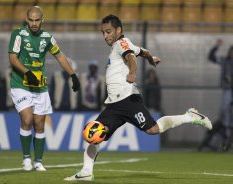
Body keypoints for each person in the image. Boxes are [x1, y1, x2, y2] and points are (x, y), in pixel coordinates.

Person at [64, 14, 212, 181]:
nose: (105, 35)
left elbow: (132, 57)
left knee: (153, 130)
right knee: (96, 133)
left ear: (118, 30)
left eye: (108, 31)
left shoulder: (121, 43)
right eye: (103, 32)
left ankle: (189, 116)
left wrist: (133, 73)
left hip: (128, 100)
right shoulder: (122, 44)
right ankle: (86, 172)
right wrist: (150, 59)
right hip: (113, 105)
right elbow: (143, 52)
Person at [8, 6, 80, 171]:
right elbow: (12, 57)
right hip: (21, 84)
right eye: (31, 20)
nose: (34, 23)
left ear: (42, 20)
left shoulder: (47, 37)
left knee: (39, 125)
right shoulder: (18, 34)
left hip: (39, 87)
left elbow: (60, 56)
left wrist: (73, 75)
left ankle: (38, 161)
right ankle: (26, 158)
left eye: (37, 20)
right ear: (27, 19)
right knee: (27, 120)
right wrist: (27, 72)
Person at [208, 39, 233, 151]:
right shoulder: (224, 61)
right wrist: (216, 46)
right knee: (225, 111)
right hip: (227, 89)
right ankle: (227, 136)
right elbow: (211, 57)